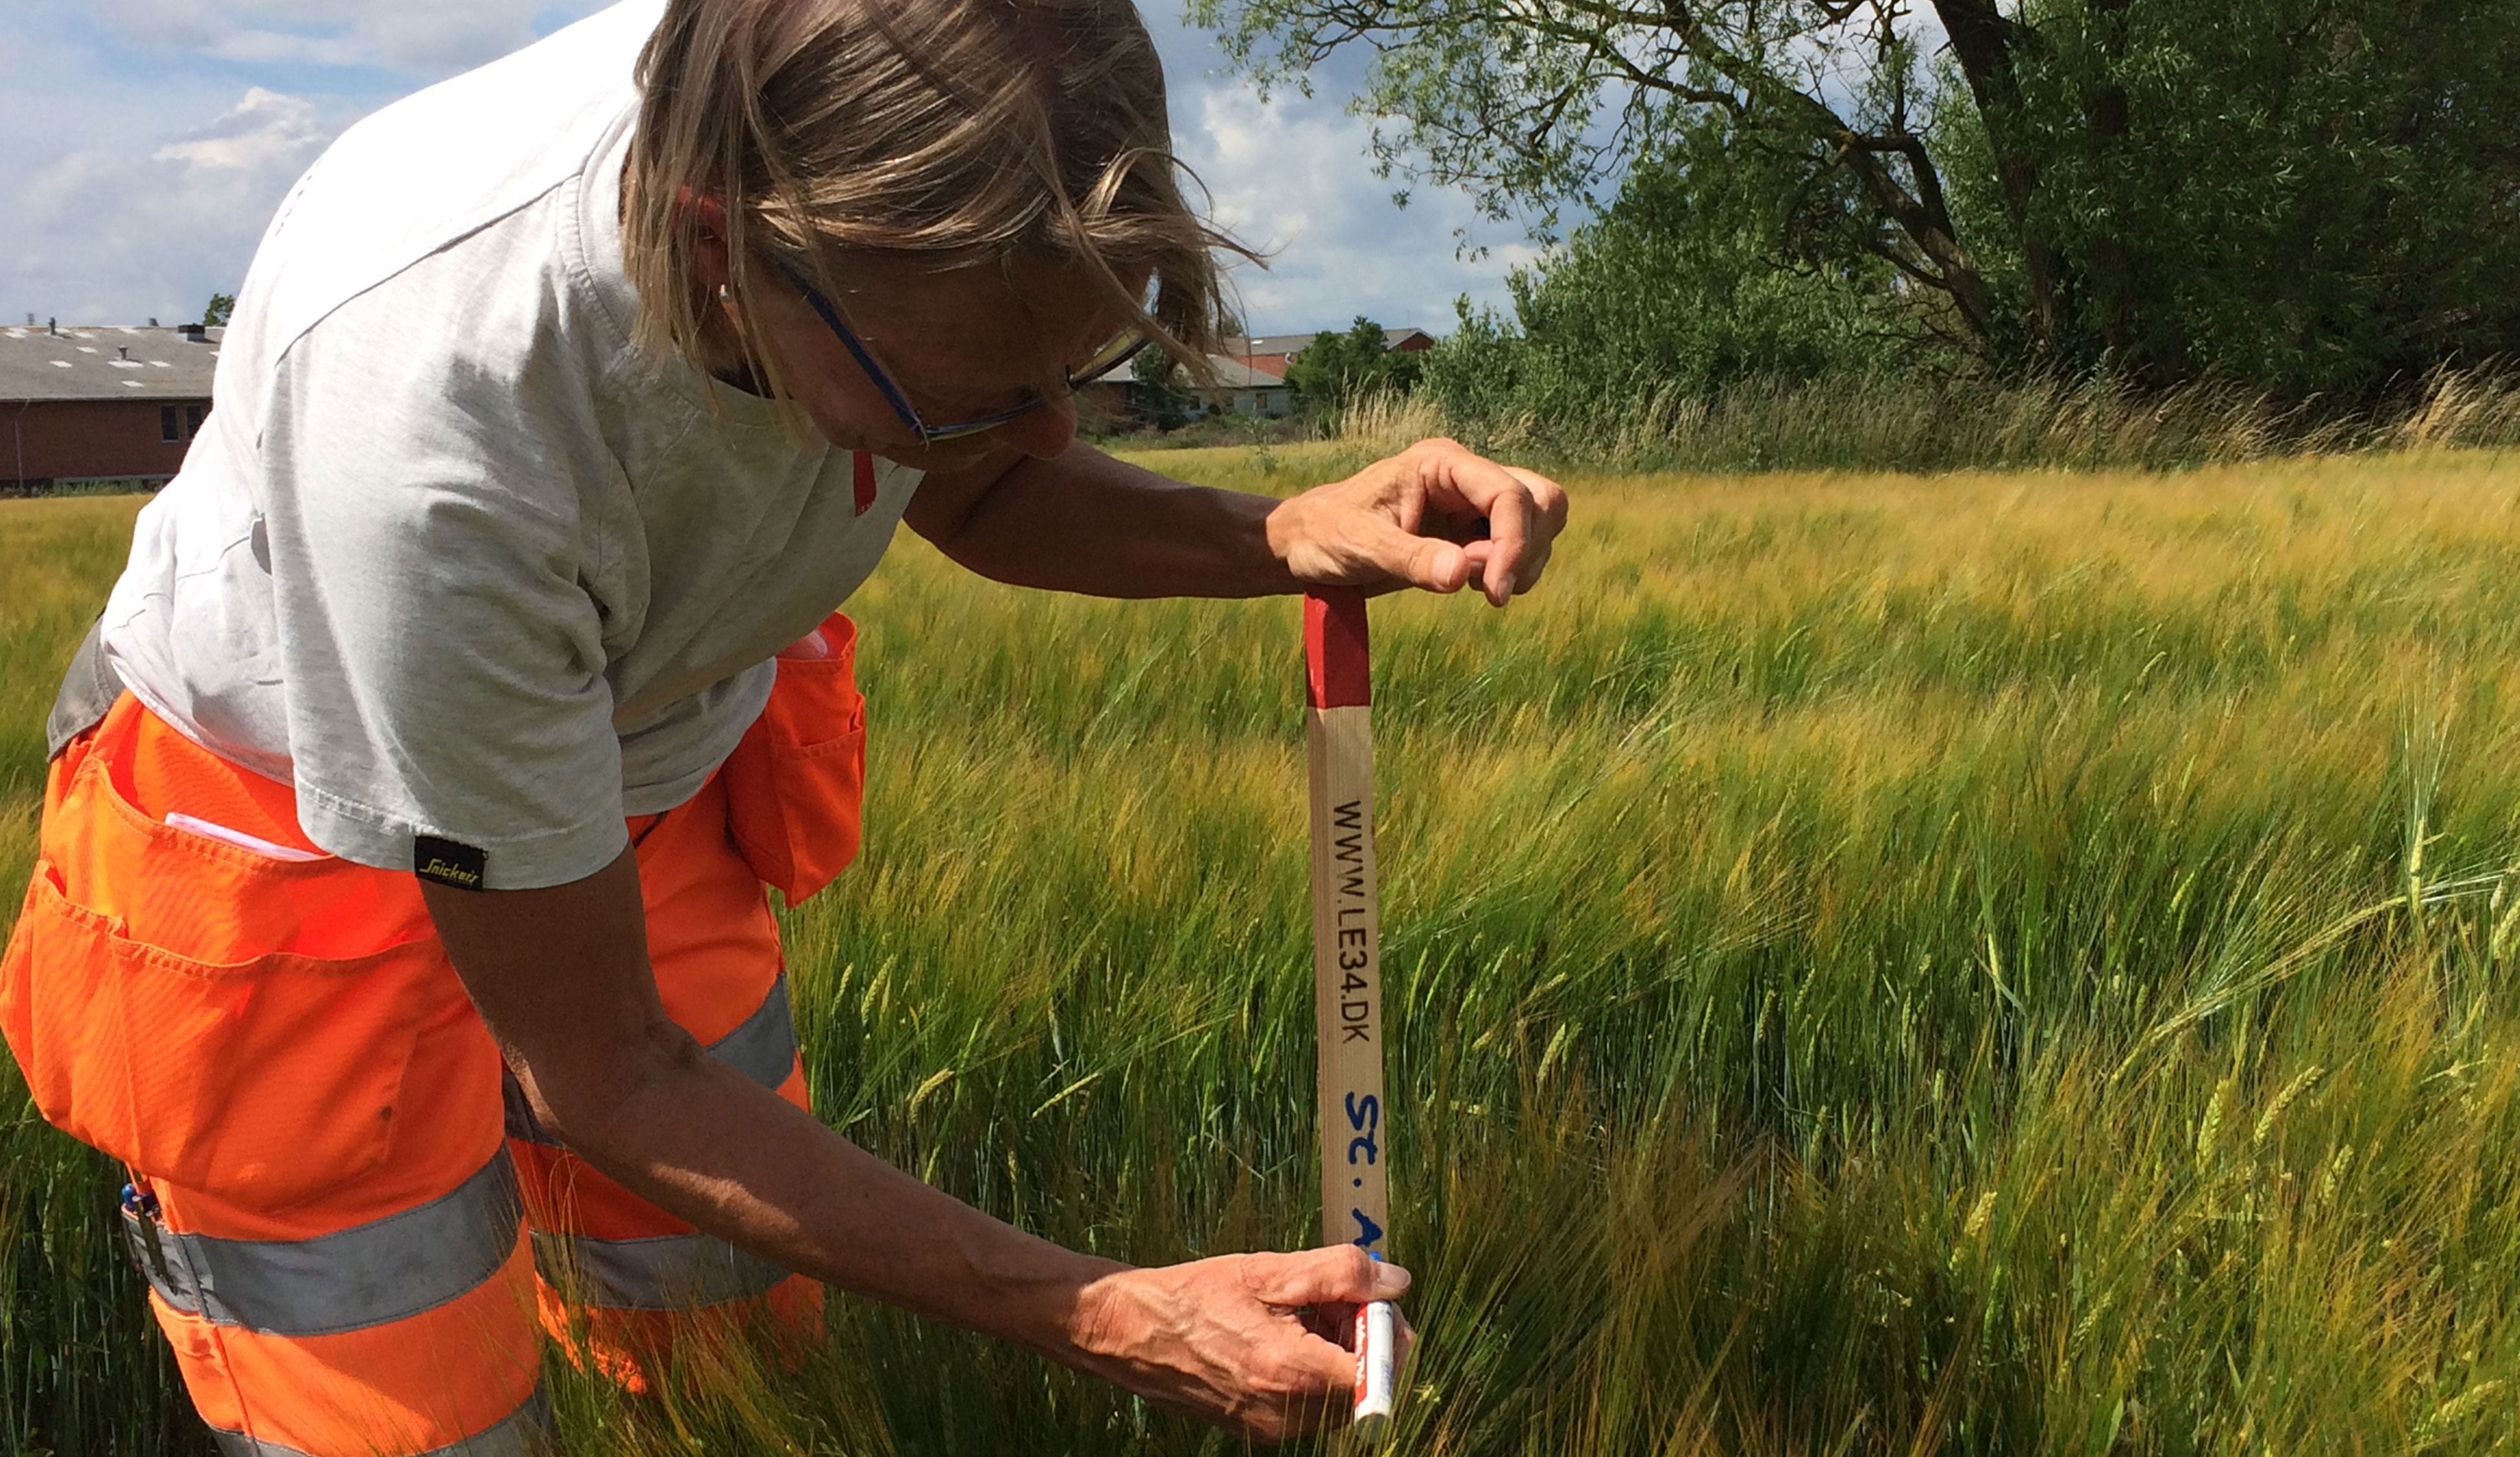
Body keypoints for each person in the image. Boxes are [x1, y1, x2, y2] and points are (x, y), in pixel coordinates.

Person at [0, 0, 1566, 1451]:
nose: (1042, 433)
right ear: (716, 247)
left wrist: (1277, 533)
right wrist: (1099, 1311)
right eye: (966, 390)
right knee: (413, 1417)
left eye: (1069, 368)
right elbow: (607, 1069)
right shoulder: (435, 443)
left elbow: (996, 480)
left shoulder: (877, 113)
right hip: (282, 838)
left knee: (728, 1351)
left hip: (638, 750)